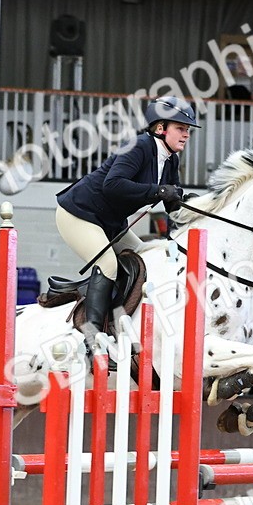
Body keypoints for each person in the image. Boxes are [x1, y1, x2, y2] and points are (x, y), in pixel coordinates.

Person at [53, 96, 199, 338]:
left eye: (188, 130)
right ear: (161, 128)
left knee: (145, 259)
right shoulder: (139, 146)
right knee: (108, 264)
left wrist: (197, 206)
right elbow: (113, 185)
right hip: (79, 214)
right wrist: (159, 190)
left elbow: (173, 205)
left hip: (110, 223)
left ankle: (118, 323)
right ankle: (92, 338)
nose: (186, 135)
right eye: (181, 128)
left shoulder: (171, 159)